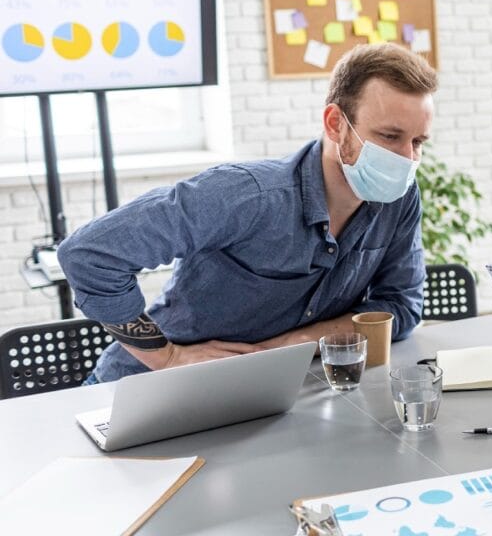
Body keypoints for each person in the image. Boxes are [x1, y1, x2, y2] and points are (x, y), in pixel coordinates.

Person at [58, 43, 436, 383]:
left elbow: (399, 306)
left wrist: (298, 342)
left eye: (417, 141)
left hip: (267, 389)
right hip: (146, 389)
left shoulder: (399, 200)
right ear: (336, 124)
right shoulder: (246, 195)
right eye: (390, 137)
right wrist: (168, 357)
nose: (408, 158)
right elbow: (88, 254)